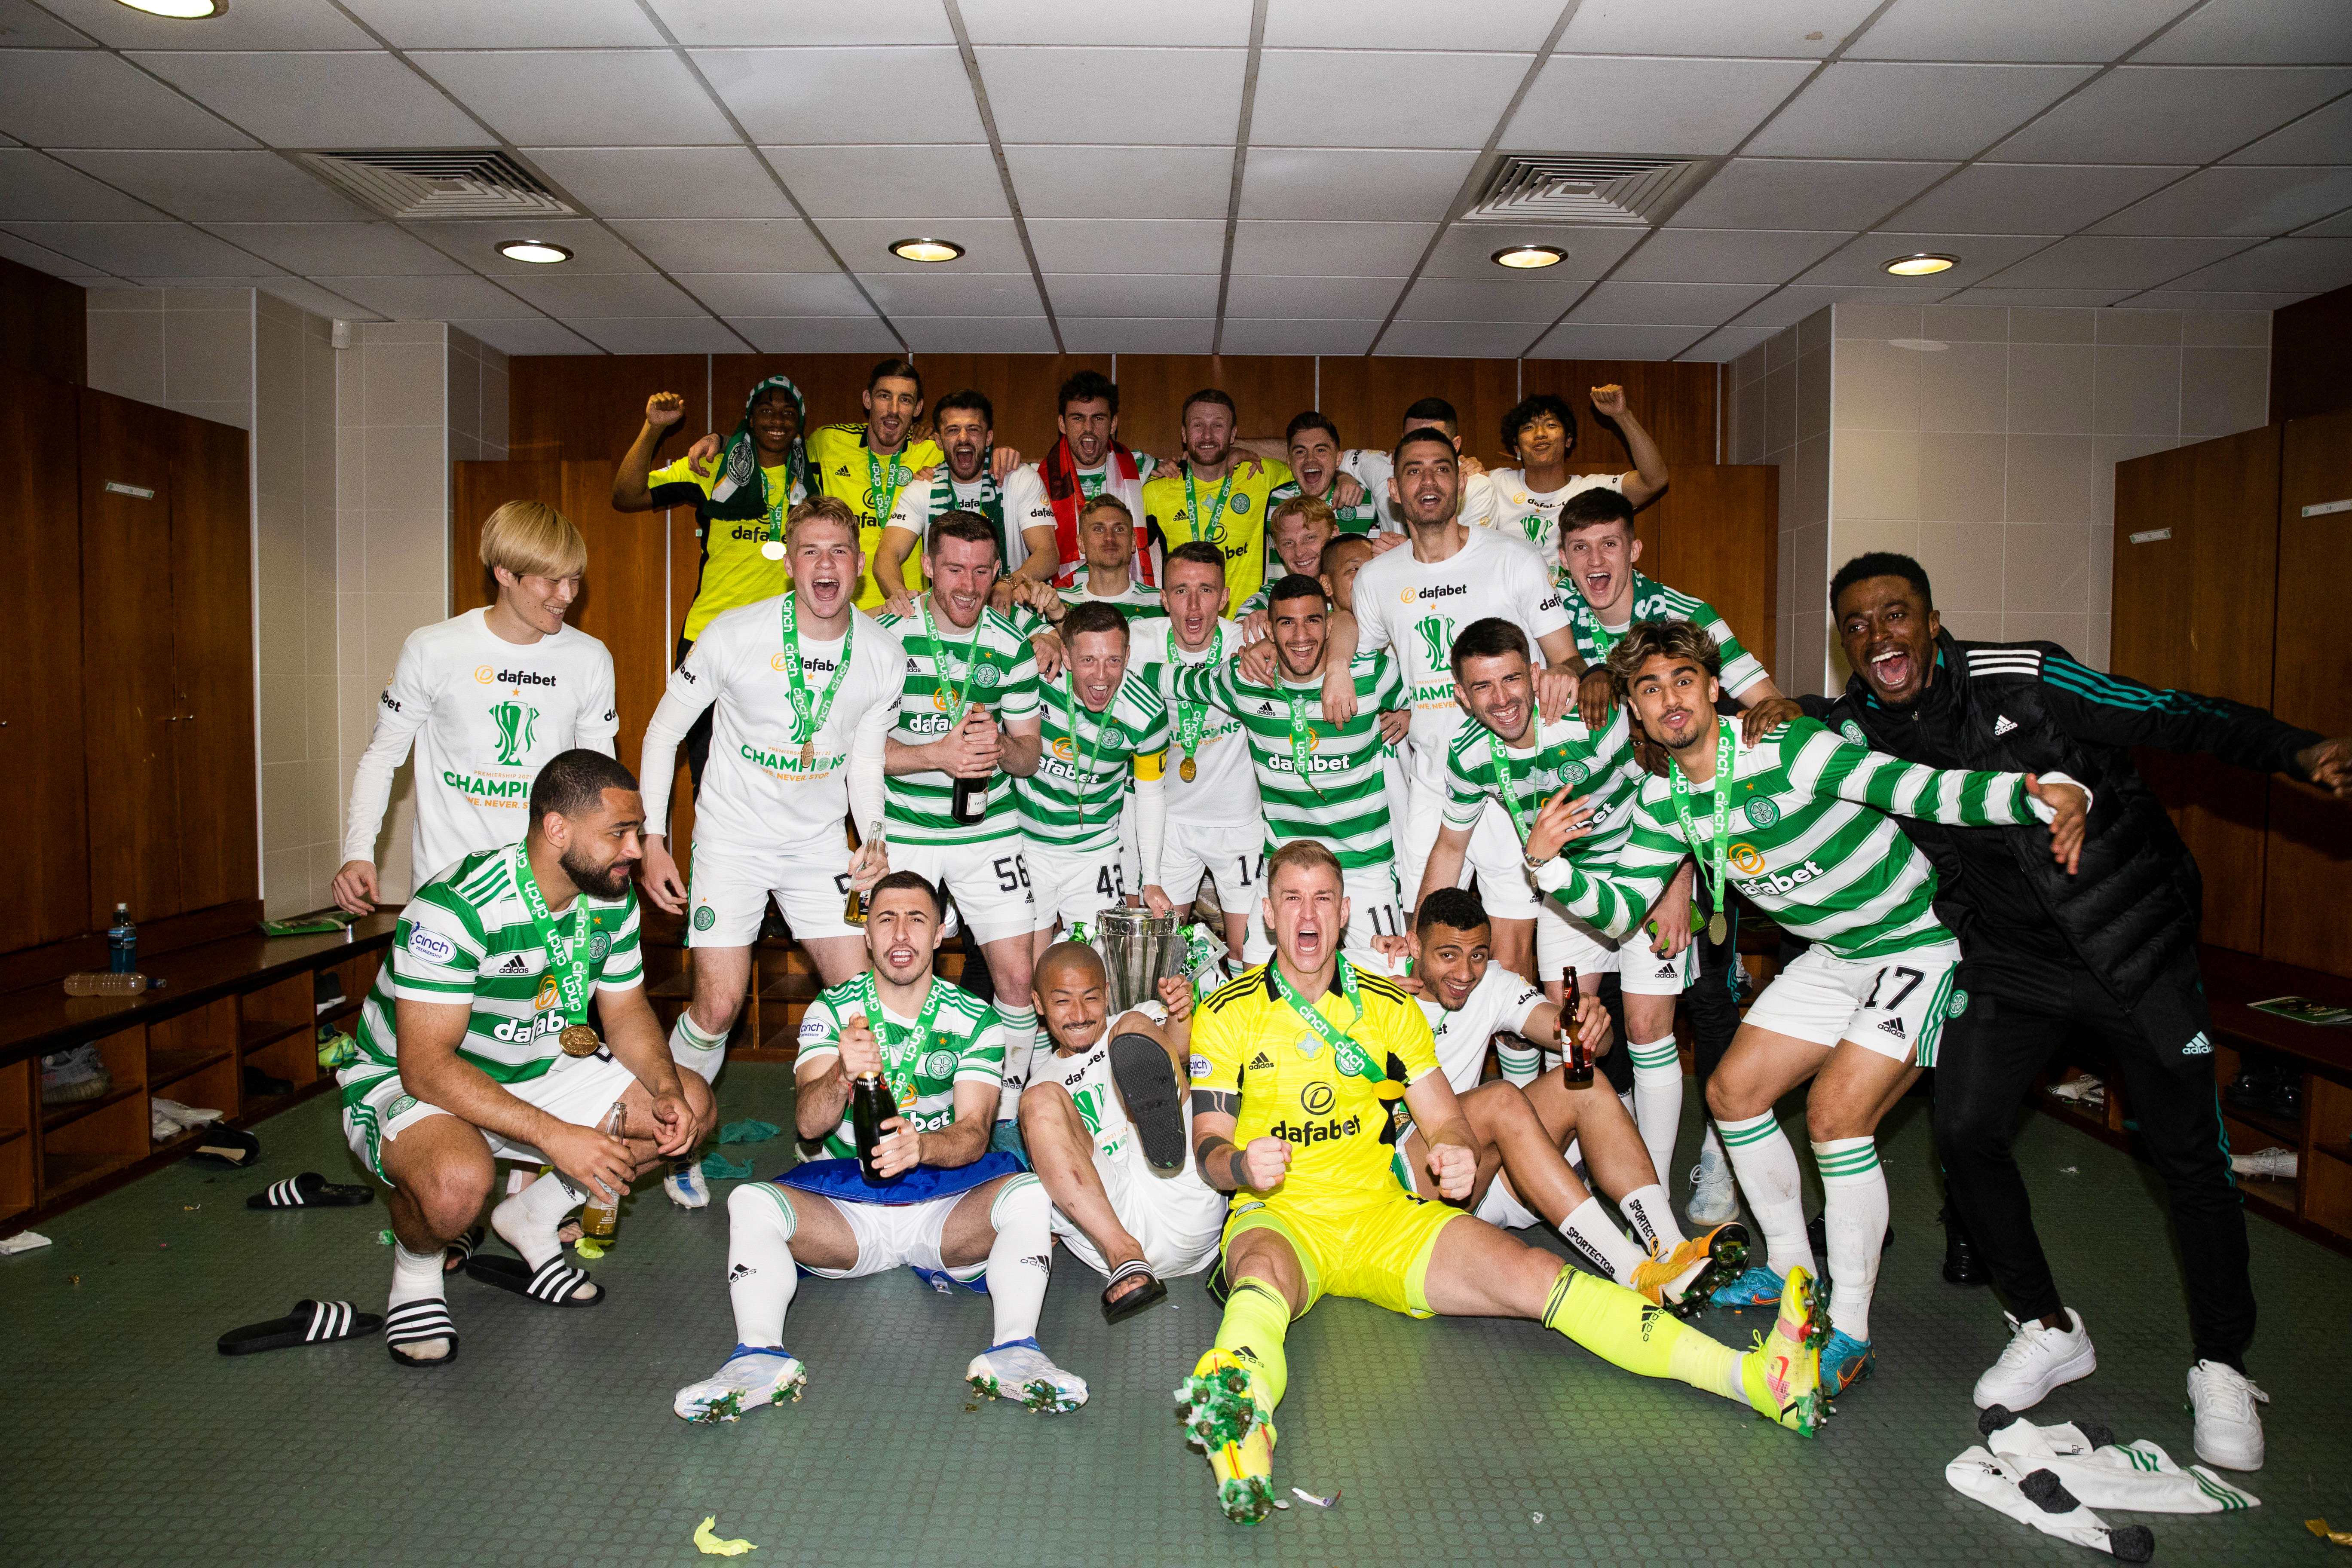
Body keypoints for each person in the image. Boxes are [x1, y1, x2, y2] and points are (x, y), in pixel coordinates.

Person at [1785, 551, 2351, 1468]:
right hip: (2012, 963)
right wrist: (1781, 707)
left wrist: (2298, 749)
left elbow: (2179, 716)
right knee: (1964, 1131)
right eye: (1856, 623)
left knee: (2189, 1159)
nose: (1878, 635)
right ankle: (2048, 1324)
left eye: (1896, 615)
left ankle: (2221, 1364)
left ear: (1934, 622)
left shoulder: (2033, 680)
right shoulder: (1856, 725)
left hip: (2135, 947)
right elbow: (1791, 730)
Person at [1178, 841, 1830, 1524]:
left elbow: (1445, 1119)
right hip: (1282, 1213)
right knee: (1258, 1281)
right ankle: (1245, 1422)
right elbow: (1209, 1149)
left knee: (1535, 1273)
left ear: (1343, 913)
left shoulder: (1388, 1008)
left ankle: (1756, 1380)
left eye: (1321, 900)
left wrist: (1456, 1151)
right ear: (1267, 911)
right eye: (1291, 898)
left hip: (1383, 1217)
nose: (1306, 916)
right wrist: (1245, 1167)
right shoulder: (1227, 1012)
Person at [1525, 618, 2089, 1400]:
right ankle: (1791, 1271)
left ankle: (1847, 1327)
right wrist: (1546, 867)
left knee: (1834, 1116)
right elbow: (1621, 908)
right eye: (1648, 689)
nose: (1670, 701)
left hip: (1913, 945)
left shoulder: (1786, 748)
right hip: (1832, 957)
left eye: (1682, 680)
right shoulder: (1662, 799)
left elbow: (1914, 786)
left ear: (1712, 686)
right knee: (1729, 1092)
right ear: (1635, 710)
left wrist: (2033, 794)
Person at [338, 749, 714, 1367]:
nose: (635, 852)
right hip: (415, 1080)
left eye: (637, 833)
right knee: (459, 1183)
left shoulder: (610, 896)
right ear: (557, 829)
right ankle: (416, 1274)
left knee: (689, 1106)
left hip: (539, 1066)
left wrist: (665, 1087)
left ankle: (532, 1220)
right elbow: (427, 1067)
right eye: (619, 833)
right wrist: (555, 1137)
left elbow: (623, 1012)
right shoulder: (457, 906)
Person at [672, 871, 1086, 1422]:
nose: (901, 935)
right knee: (750, 1202)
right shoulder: (831, 1010)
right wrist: (841, 1074)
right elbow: (809, 1124)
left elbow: (974, 1132)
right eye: (886, 919)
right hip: (850, 1209)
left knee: (1030, 1194)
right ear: (865, 934)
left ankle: (1015, 1351)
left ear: (940, 934)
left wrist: (922, 1147)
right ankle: (757, 1357)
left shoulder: (977, 1019)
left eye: (917, 920)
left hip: (942, 1206)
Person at [635, 496, 903, 1205]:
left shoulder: (882, 653)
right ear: (789, 562)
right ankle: (677, 1133)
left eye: (840, 552)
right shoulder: (732, 633)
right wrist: (655, 843)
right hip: (732, 839)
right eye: (810, 550)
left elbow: (866, 767)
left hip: (818, 846)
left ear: (857, 567)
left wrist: (872, 839)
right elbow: (663, 734)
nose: (825, 565)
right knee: (718, 1006)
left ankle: (825, 1136)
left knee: (859, 1000)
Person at [1419, 616, 1697, 1191]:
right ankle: (1564, 1174)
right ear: (1460, 697)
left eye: (1512, 680)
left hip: (1646, 882)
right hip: (1568, 897)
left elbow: (1676, 782)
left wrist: (1679, 885)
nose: (1502, 700)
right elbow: (1450, 847)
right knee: (1570, 1036)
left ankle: (1657, 1189)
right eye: (1483, 688)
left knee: (1647, 1031)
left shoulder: (1590, 719)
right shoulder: (1468, 756)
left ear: (1534, 673)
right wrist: (1420, 942)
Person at [1376, 889, 1744, 1309]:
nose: (1464, 973)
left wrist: (1593, 1027)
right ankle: (1634, 1274)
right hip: (1401, 1185)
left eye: (1477, 955)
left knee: (1582, 1082)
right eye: (1448, 956)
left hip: (1478, 1181)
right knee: (1500, 1099)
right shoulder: (1372, 974)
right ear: (1417, 945)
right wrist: (1370, 1006)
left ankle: (1672, 1251)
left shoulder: (1493, 984)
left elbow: (1580, 1039)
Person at [1348, 427, 1584, 976]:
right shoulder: (1378, 578)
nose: (1428, 481)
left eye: (1441, 468)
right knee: (1424, 949)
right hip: (1431, 782)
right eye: (1413, 470)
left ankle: (1513, 1065)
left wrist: (1561, 680)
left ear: (1459, 481)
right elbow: (1355, 643)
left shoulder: (1514, 559)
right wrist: (1340, 664)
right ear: (1395, 492)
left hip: (1510, 781)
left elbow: (1569, 660)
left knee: (1509, 957)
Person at [334, 501, 617, 915]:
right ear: (504, 573)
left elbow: (600, 778)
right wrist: (358, 851)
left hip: (550, 889)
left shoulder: (590, 658)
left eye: (574, 580)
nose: (567, 595)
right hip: (449, 890)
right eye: (552, 581)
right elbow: (381, 758)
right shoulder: (432, 648)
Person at [877, 509, 1047, 1154]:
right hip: (907, 829)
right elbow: (857, 752)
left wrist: (1000, 747)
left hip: (989, 830)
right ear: (926, 566)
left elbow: (1030, 755)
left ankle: (1003, 1119)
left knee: (1015, 979)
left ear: (998, 571)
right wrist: (935, 755)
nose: (968, 585)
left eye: (981, 571)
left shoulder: (1011, 644)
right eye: (953, 568)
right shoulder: (884, 637)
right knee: (896, 968)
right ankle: (889, 1107)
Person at [1154, 574, 1409, 969]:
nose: (1301, 635)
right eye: (1287, 623)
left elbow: (1430, 706)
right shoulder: (1246, 680)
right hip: (1284, 869)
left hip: (1363, 868)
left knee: (1393, 982)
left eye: (1312, 620)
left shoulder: (1371, 673)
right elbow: (1174, 680)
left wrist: (1409, 713)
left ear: (1328, 623)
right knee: (1258, 982)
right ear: (1270, 629)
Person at [1021, 942, 1227, 1319]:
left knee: (1132, 1029)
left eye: (1091, 998)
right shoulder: (1042, 1081)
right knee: (1037, 1100)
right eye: (1063, 1001)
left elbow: (1181, 1051)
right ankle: (1127, 1257)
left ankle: (1154, 1128)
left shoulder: (1137, 1017)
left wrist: (1181, 1013)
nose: (1080, 1015)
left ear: (1108, 994)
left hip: (1176, 1185)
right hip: (1109, 1225)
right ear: (1038, 1003)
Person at [1131, 541, 1263, 960]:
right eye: (1181, 590)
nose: (1193, 606)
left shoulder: (1249, 641)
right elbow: (1076, 645)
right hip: (1170, 822)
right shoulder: (1136, 642)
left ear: (1225, 598)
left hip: (1240, 825)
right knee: (1160, 956)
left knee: (1249, 955)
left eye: (1206, 590)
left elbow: (1328, 626)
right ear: (1163, 597)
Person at [1018, 600, 1174, 940]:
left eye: (1113, 661)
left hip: (1095, 851)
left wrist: (1152, 880)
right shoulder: (1036, 677)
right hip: (1026, 842)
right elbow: (997, 615)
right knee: (1022, 975)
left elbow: (1150, 796)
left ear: (1128, 656)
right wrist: (1039, 631)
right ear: (1068, 656)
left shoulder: (1147, 712)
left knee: (1097, 972)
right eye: (1088, 660)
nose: (1101, 676)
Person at [805, 358, 944, 610]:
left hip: (907, 606)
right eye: (884, 396)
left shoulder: (934, 451)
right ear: (868, 400)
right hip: (838, 609)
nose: (893, 409)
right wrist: (722, 441)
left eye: (905, 400)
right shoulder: (827, 442)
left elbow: (975, 459)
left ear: (918, 408)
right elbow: (774, 451)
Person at [1002, 369, 1159, 590]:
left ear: (1113, 424)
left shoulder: (1139, 465)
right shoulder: (1035, 478)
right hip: (1061, 600)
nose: (1088, 428)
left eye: (1098, 418)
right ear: (1062, 424)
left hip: (1127, 598)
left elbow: (1199, 467)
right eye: (1078, 418)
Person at [875, 389, 1029, 610]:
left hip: (1012, 612)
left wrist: (1007, 583)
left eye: (973, 430)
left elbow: (1048, 554)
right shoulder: (923, 487)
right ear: (938, 440)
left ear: (989, 438)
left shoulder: (1018, 477)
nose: (963, 438)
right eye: (953, 430)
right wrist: (902, 599)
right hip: (946, 616)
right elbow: (887, 556)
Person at [1144, 389, 1293, 607]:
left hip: (1246, 624)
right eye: (1198, 425)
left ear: (1233, 434)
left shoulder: (1259, 475)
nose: (1207, 435)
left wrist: (1243, 447)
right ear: (1184, 434)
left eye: (1218, 426)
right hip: (1187, 622)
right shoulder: (1156, 492)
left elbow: (1302, 455)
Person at [1487, 386, 1668, 562]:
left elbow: (1654, 481)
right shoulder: (1495, 483)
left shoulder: (1592, 492)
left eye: (1551, 425)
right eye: (1528, 428)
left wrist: (1622, 416)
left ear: (1568, 440)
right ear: (1517, 446)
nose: (1540, 434)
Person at [1320, 395, 1501, 533]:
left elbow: (1474, 559)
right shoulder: (1381, 467)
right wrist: (1343, 477)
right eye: (1412, 439)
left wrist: (1403, 552)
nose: (1421, 447)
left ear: (1455, 446)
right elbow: (1334, 459)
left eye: (1433, 439)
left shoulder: (1477, 487)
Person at [1028, 493, 1167, 626]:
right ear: (1081, 543)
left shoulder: (1162, 605)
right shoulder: (1055, 603)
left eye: (1119, 530)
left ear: (1133, 542)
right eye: (1099, 530)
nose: (1110, 538)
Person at [1262, 411, 1381, 537]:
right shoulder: (1270, 500)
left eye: (1320, 450)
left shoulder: (1364, 497)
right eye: (1300, 452)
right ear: (1290, 463)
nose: (1310, 459)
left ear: (1338, 459)